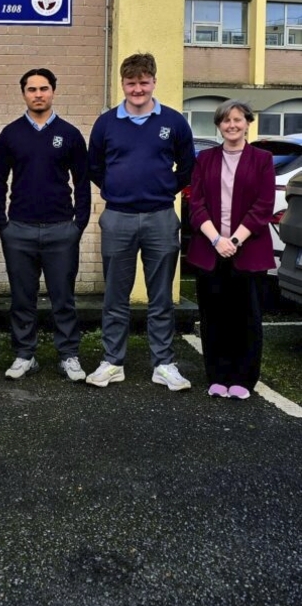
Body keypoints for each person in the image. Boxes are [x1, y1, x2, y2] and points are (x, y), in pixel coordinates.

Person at [87, 51, 196, 391]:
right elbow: (94, 166)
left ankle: (163, 364)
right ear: (123, 83)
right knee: (115, 297)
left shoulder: (174, 122)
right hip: (117, 218)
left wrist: (163, 190)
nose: (137, 89)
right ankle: (112, 362)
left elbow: (188, 167)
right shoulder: (106, 123)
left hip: (161, 218)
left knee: (161, 296)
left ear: (154, 82)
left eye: (143, 82)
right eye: (131, 83)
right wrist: (118, 190)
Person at [0, 67, 91, 381]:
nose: (38, 94)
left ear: (53, 91)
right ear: (23, 93)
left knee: (64, 298)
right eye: (32, 89)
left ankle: (69, 356)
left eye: (44, 88)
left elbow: (83, 183)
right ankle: (24, 355)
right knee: (22, 298)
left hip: (61, 229)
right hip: (18, 229)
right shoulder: (10, 134)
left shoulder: (70, 134)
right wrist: (3, 225)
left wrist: (78, 225)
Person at [186, 100, 275, 399]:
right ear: (219, 125)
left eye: (238, 119)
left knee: (246, 317)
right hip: (210, 250)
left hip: (247, 252)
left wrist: (234, 240)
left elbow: (263, 206)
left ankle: (243, 379)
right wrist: (216, 240)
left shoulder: (262, 159)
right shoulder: (206, 159)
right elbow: (195, 204)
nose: (232, 125)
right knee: (214, 317)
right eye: (226, 121)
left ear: (248, 122)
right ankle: (217, 376)